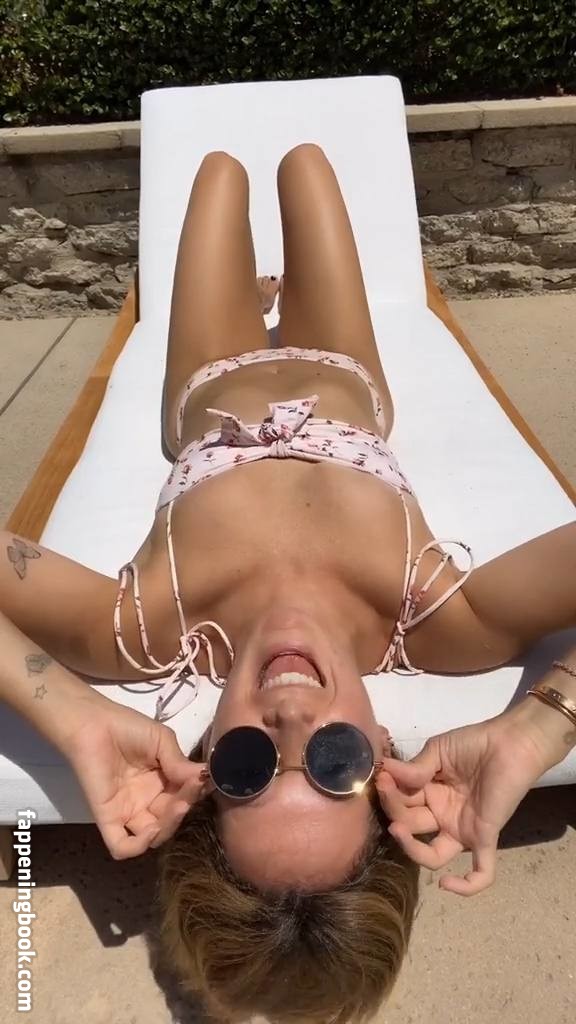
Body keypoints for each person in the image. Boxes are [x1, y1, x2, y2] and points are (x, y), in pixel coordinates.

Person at [1, 143, 575, 1022]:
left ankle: (255, 294)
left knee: (220, 171)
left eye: (249, 767)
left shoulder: (144, 626)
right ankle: (270, 291)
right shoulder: (441, 617)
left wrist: (70, 712)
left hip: (207, 382)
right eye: (337, 763)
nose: (293, 718)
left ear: (202, 770)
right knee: (306, 164)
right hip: (346, 375)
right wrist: (540, 726)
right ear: (386, 757)